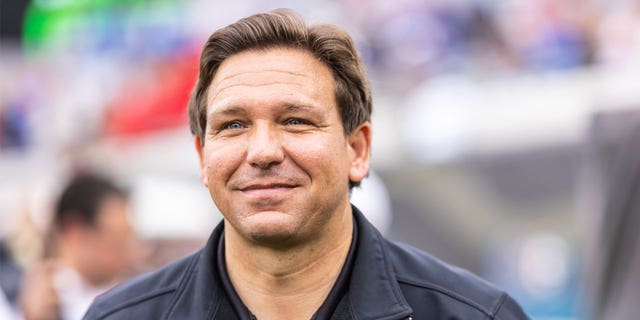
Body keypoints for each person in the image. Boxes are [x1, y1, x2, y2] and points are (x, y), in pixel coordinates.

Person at [84, 9, 530, 319]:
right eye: (234, 125)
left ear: (357, 150)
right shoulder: (119, 317)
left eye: (295, 121)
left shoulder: (474, 315)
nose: (261, 152)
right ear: (203, 157)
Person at [20, 173, 140, 320]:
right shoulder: (18, 300)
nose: (132, 256)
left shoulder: (134, 295)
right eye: (118, 242)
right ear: (75, 232)